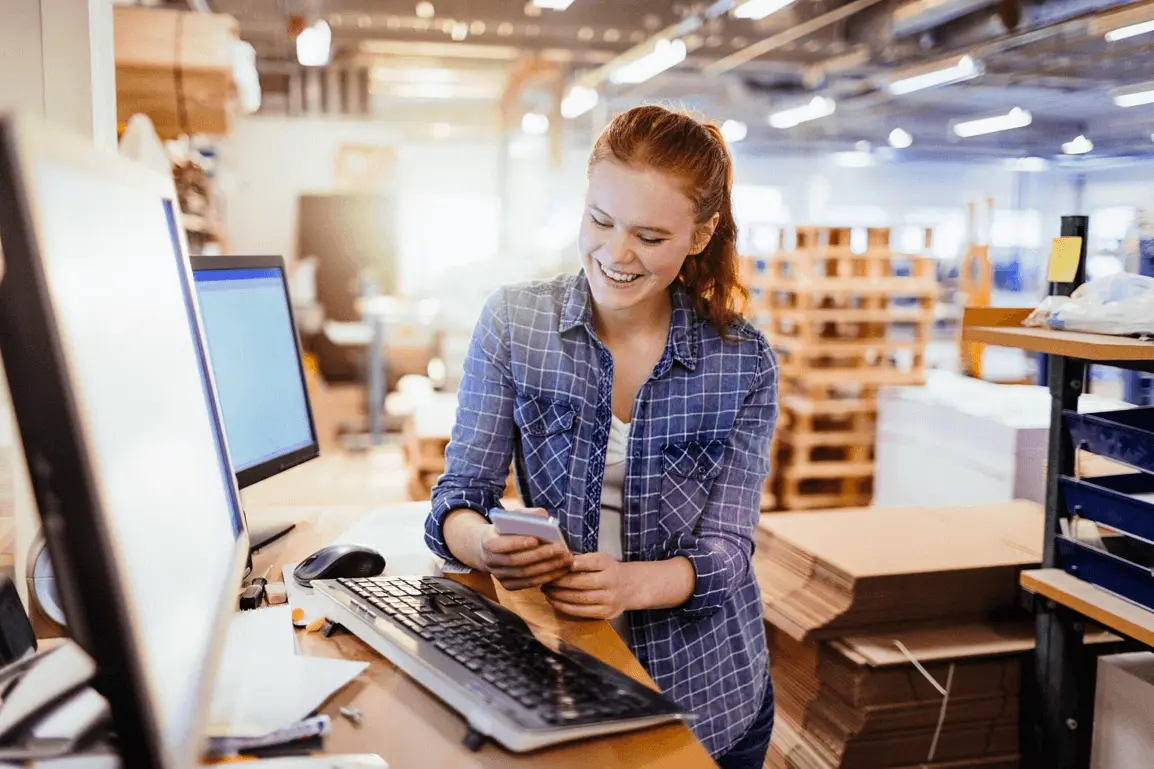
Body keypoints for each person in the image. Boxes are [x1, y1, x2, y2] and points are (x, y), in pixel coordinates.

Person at [424, 104, 778, 768]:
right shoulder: (513, 324)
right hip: (565, 672)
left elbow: (731, 550)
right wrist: (487, 545)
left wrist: (632, 584)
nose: (616, 254)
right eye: (600, 221)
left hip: (709, 693)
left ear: (700, 235)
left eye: (649, 235)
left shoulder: (744, 361)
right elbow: (455, 499)